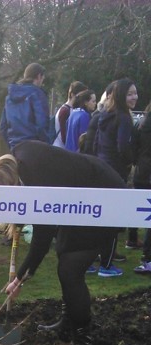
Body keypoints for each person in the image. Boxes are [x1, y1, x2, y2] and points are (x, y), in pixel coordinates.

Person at [0, 141, 124, 345]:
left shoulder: (37, 176)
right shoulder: (19, 160)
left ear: (13, 185)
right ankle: (68, 321)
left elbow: (43, 238)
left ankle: (83, 333)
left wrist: (20, 278)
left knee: (70, 268)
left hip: (102, 198)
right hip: (76, 198)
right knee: (64, 252)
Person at [93, 77, 139, 275]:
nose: (134, 97)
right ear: (121, 96)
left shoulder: (104, 114)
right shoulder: (124, 117)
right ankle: (106, 265)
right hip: (115, 174)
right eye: (130, 93)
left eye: (135, 93)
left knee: (97, 219)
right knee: (112, 221)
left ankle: (89, 262)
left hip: (100, 169)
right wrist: (132, 160)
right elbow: (123, 147)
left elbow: (96, 143)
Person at [0, 63, 49, 152]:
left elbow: (3, 127)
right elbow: (42, 124)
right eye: (42, 79)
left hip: (15, 147)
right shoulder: (37, 94)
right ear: (38, 76)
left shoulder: (9, 97)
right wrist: (45, 144)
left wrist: (11, 144)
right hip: (34, 147)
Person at [132, 102, 151, 274]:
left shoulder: (142, 122)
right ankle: (147, 258)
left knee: (139, 213)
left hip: (141, 171)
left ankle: (132, 241)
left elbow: (134, 148)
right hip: (146, 170)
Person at [52, 80, 87, 148]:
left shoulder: (71, 110)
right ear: (72, 94)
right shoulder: (65, 111)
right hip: (61, 149)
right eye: (80, 95)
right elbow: (64, 136)